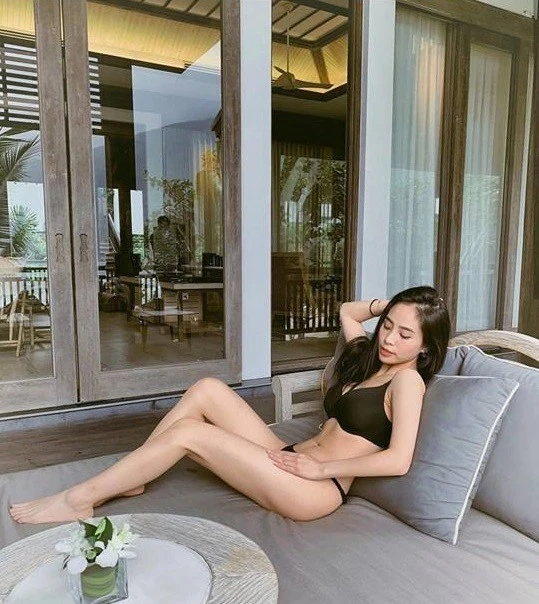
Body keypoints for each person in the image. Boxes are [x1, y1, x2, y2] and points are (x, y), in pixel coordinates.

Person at [9, 285, 450, 525]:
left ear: (426, 347)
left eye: (405, 334)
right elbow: (348, 312)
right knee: (207, 388)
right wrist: (395, 305)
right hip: (290, 457)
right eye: (387, 325)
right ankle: (134, 477)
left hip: (315, 489)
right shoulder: (369, 357)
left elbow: (398, 459)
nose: (389, 338)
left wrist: (321, 470)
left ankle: (80, 499)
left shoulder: (407, 381)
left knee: (190, 433)